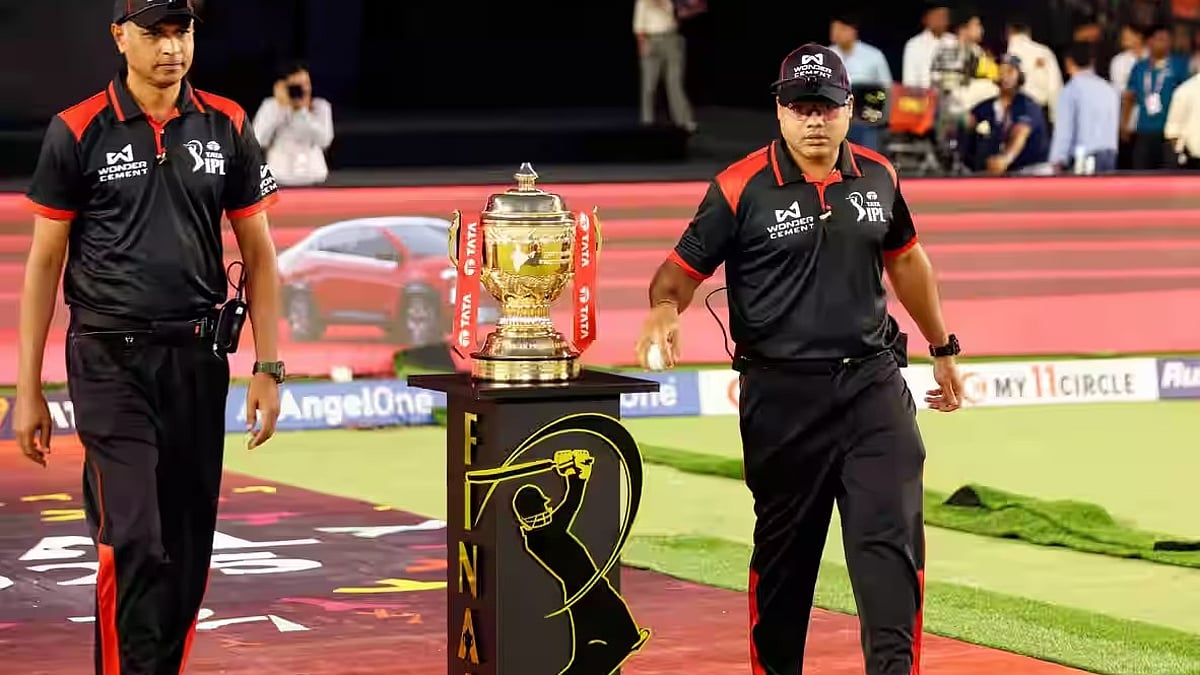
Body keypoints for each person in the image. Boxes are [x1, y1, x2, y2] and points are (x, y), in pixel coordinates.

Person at [635, 42, 963, 675]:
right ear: (781, 111)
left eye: (827, 107)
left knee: (891, 549)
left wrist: (943, 347)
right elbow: (675, 276)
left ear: (848, 110)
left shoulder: (879, 176)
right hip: (781, 398)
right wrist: (663, 310)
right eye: (801, 107)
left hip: (872, 387)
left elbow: (907, 263)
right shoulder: (738, 187)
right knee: (785, 564)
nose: (815, 120)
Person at [14, 1, 285, 673]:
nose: (171, 48)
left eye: (181, 31)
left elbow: (260, 254)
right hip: (109, 360)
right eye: (154, 33)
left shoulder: (227, 124)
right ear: (119, 37)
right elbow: (44, 263)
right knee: (133, 537)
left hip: (198, 360)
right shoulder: (77, 130)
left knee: (187, 554)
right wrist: (28, 389)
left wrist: (269, 365)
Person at [963, 54, 1050, 175]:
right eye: (1001, 71)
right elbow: (967, 121)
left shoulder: (1028, 106)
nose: (1005, 76)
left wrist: (1005, 159)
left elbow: (1020, 134)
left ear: (1020, 76)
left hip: (1031, 171)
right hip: (1002, 172)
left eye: (1010, 71)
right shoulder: (988, 106)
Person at [252, 60, 335, 187]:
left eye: (306, 83)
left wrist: (302, 111)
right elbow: (259, 140)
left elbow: (325, 140)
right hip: (279, 178)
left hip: (314, 178)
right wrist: (282, 109)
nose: (304, 89)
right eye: (297, 86)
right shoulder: (270, 106)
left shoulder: (321, 107)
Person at [1123, 24, 1193, 170]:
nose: (1165, 43)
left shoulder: (1178, 65)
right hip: (1144, 129)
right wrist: (1124, 124)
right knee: (1142, 172)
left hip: (1170, 132)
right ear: (1150, 42)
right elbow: (1130, 96)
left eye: (1168, 40)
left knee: (1169, 174)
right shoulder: (1140, 67)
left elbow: (1187, 96)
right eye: (1160, 39)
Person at [1049, 42, 1120, 173]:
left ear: (1068, 63)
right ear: (1092, 62)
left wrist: (1057, 159)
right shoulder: (1109, 88)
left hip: (1084, 155)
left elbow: (1064, 128)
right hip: (1110, 153)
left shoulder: (1071, 89)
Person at [828, 14, 894, 151]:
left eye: (840, 29)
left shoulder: (874, 55)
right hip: (835, 114)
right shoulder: (826, 55)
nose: (835, 33)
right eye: (833, 29)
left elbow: (888, 88)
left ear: (853, 31)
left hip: (867, 117)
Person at [633, 0, 698, 133]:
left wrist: (688, 11)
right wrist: (642, 46)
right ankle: (647, 121)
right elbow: (638, 26)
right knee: (649, 84)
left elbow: (680, 15)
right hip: (651, 40)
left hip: (671, 39)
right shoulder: (643, 2)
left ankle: (684, 121)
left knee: (675, 82)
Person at [1004, 19, 1064, 124]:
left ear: (1008, 33)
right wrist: (1056, 119)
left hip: (1015, 113)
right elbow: (1055, 86)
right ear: (1029, 33)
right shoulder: (1044, 52)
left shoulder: (1007, 55)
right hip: (1039, 111)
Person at [901, 3, 958, 89]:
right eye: (937, 16)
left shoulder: (954, 42)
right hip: (924, 94)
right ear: (926, 19)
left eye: (944, 16)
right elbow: (909, 82)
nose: (941, 20)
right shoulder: (914, 45)